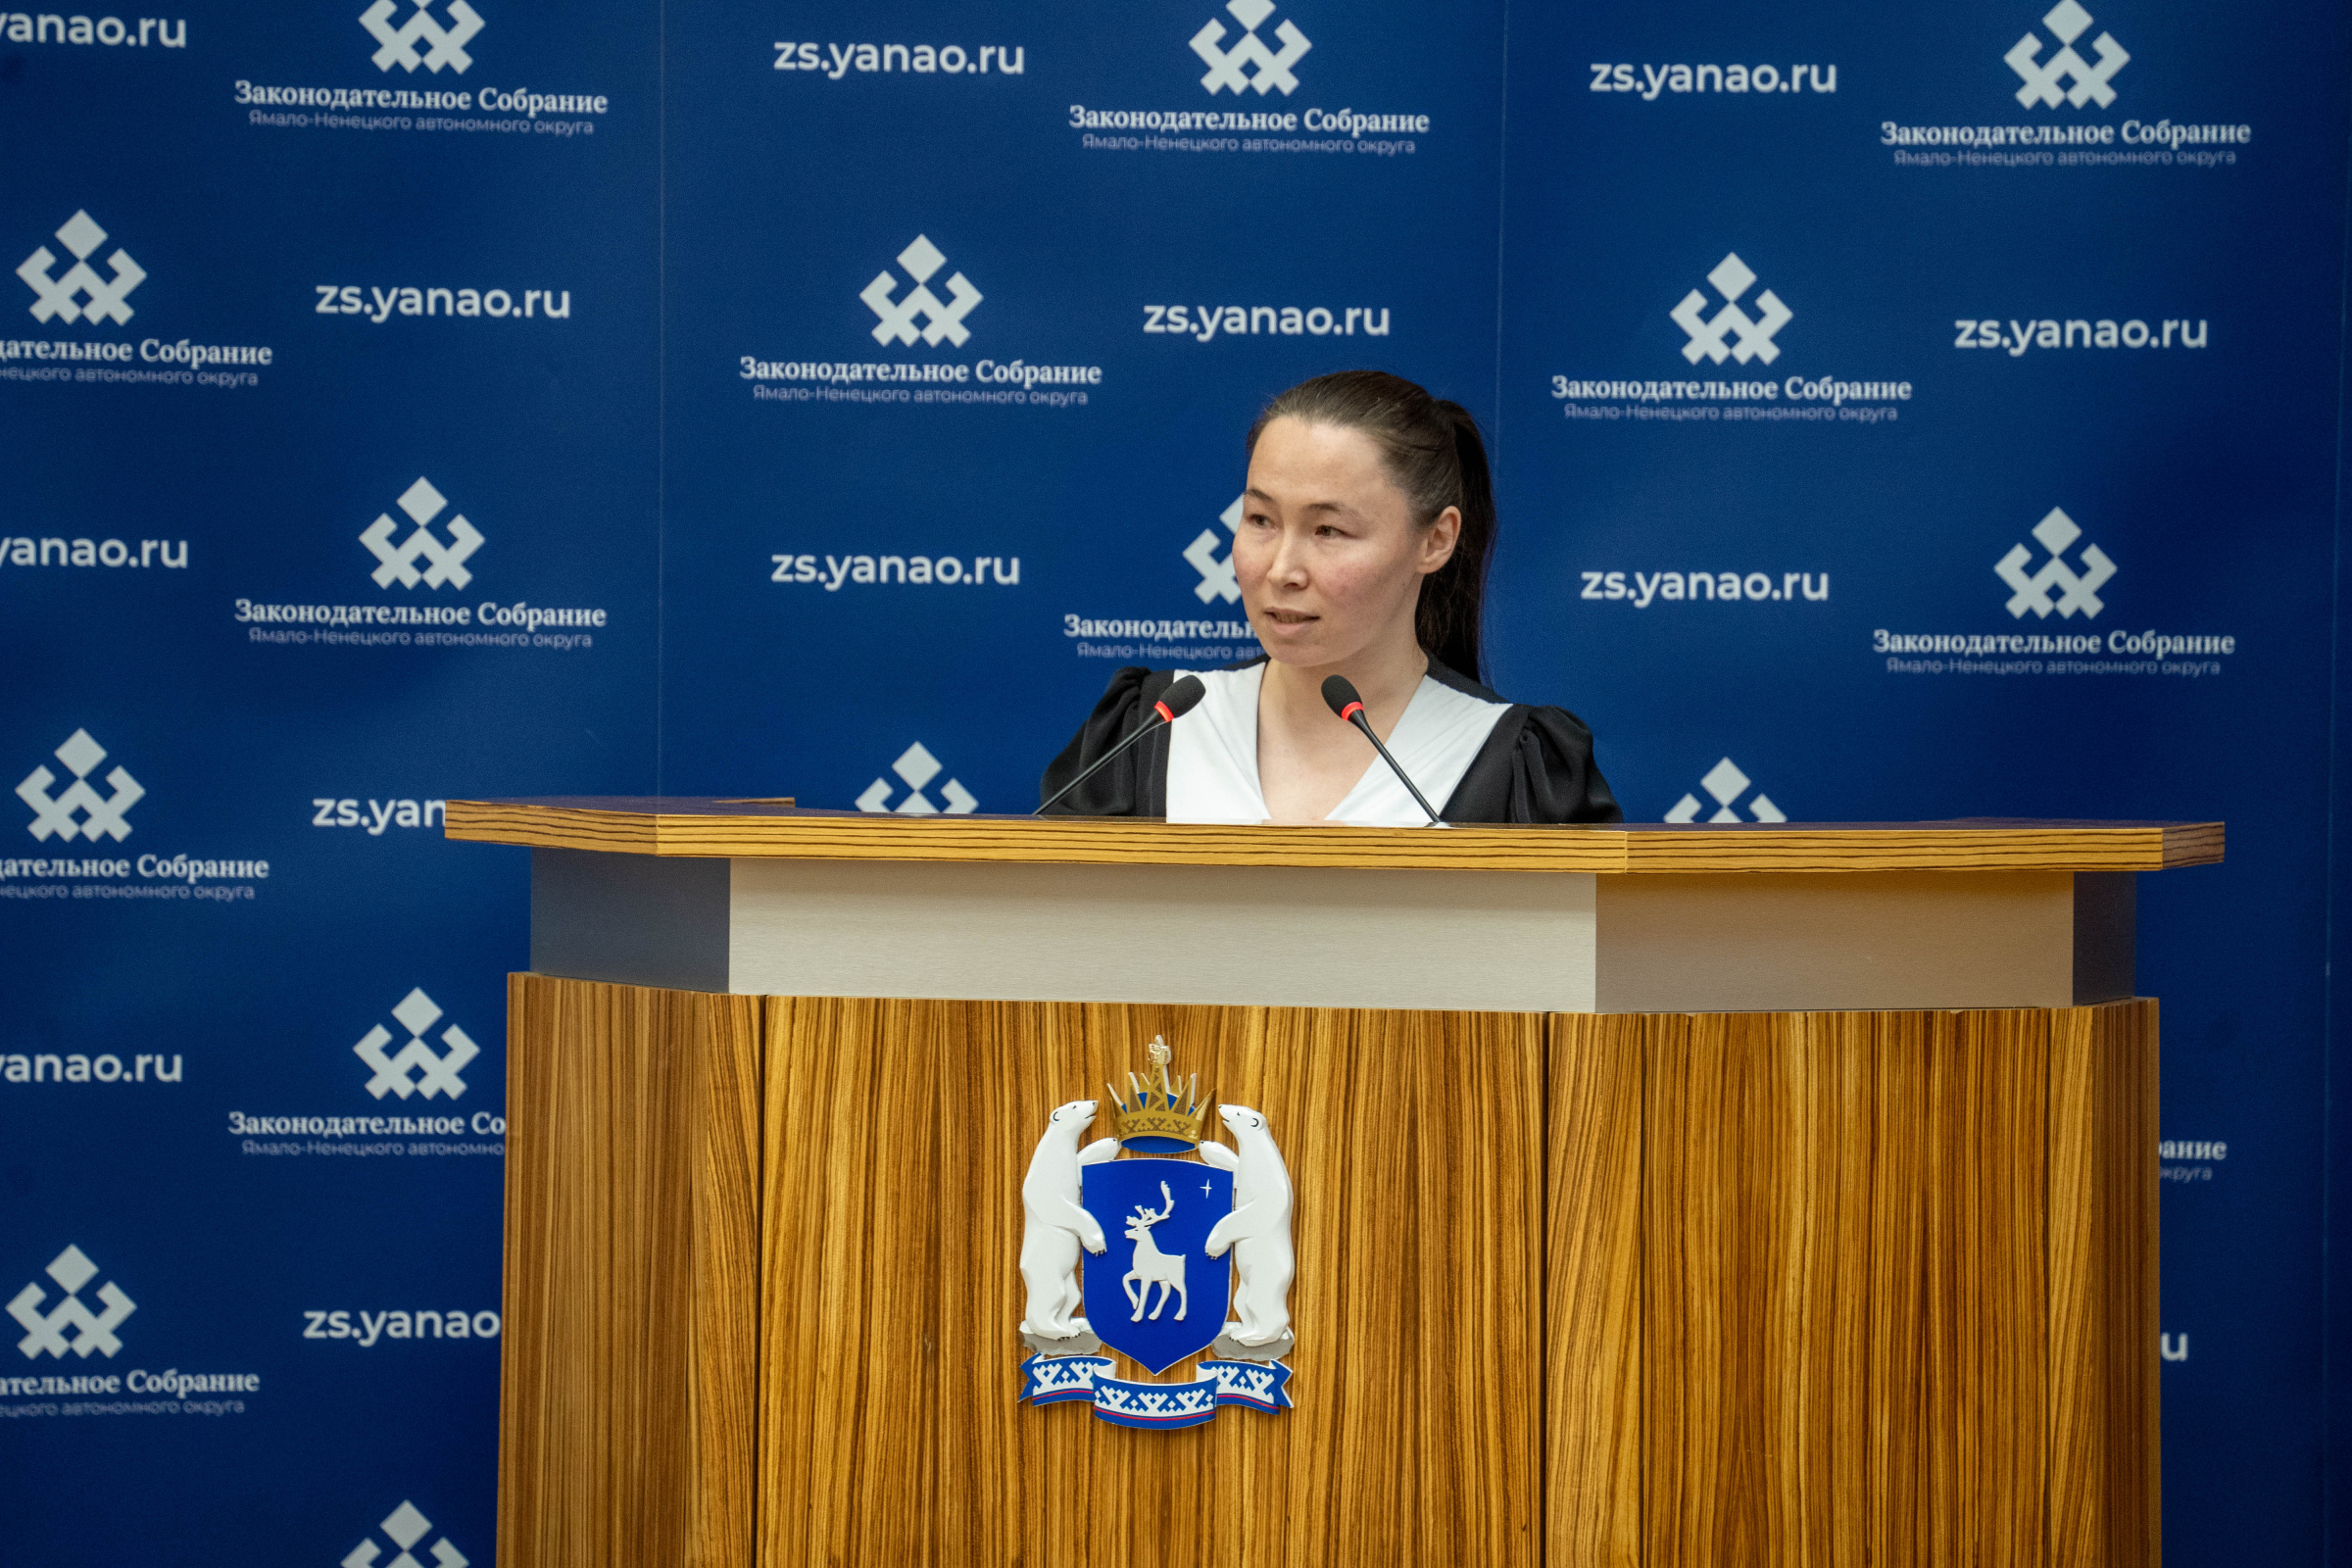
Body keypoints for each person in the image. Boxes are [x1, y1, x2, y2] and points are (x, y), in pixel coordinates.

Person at [1041, 370, 1621, 825]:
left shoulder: (1514, 769)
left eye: (1328, 530)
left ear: (1436, 540)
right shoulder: (1150, 730)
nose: (1282, 570)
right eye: (1260, 519)